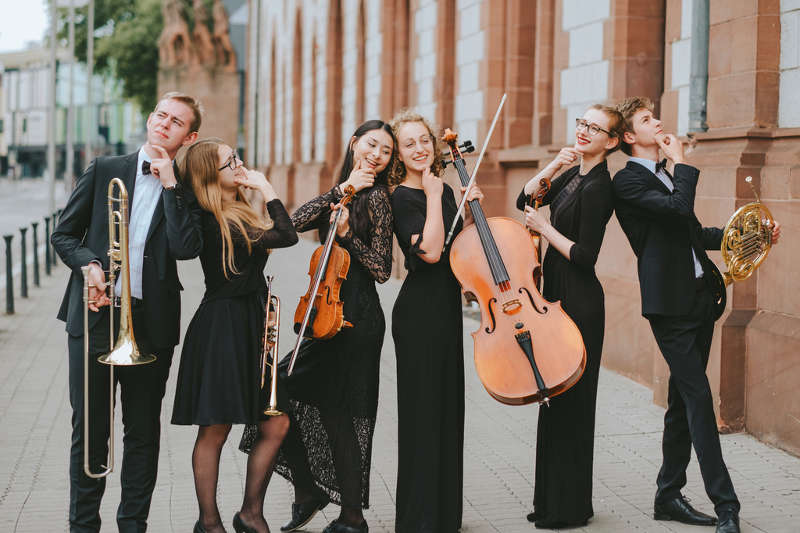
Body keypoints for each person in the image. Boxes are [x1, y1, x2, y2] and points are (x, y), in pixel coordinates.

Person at [613, 97, 781, 533]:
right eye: (648, 119)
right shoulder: (628, 182)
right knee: (700, 398)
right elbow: (677, 210)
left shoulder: (666, 178)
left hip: (698, 299)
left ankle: (667, 496)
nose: (659, 122)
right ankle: (727, 505)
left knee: (681, 402)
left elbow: (693, 232)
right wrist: (682, 161)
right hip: (668, 308)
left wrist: (753, 233)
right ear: (630, 136)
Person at [52, 92, 204, 533]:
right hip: (96, 316)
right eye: (160, 115)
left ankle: (132, 524)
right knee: (90, 430)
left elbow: (184, 248)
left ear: (188, 136)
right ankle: (83, 526)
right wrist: (89, 266)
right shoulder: (106, 170)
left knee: (141, 432)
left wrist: (172, 186)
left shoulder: (187, 188)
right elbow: (64, 235)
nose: (164, 124)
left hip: (151, 323)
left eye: (176, 122)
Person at [240, 120, 396, 533]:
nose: (377, 155)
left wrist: (349, 236)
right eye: (372, 145)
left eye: (386, 151)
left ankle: (351, 517)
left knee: (340, 416)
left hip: (356, 321)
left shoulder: (379, 199)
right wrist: (340, 192)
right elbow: (296, 220)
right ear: (354, 143)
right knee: (278, 393)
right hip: (323, 318)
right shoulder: (343, 193)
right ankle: (310, 491)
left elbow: (383, 269)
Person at [171, 139, 298, 533]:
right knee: (216, 429)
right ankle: (209, 523)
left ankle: (250, 513)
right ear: (212, 175)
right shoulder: (214, 219)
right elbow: (286, 235)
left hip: (249, 324)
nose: (240, 165)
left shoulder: (236, 209)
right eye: (231, 161)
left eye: (237, 156)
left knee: (275, 423)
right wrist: (268, 188)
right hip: (223, 331)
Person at [515, 104, 623, 529]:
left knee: (573, 401)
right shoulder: (574, 173)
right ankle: (550, 501)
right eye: (581, 123)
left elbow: (585, 255)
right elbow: (527, 198)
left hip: (579, 301)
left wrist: (544, 230)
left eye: (594, 128)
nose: (583, 132)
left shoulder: (600, 186)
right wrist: (554, 163)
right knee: (553, 400)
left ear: (611, 141)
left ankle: (570, 506)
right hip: (556, 295)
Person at [389, 110, 483, 533]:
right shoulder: (402, 196)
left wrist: (469, 207)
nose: (421, 148)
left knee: (447, 409)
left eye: (424, 139)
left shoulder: (443, 189)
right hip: (418, 315)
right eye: (409, 144)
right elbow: (428, 252)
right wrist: (432, 196)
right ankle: (419, 519)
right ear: (399, 154)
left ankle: (445, 515)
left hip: (445, 310)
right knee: (422, 413)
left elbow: (456, 249)